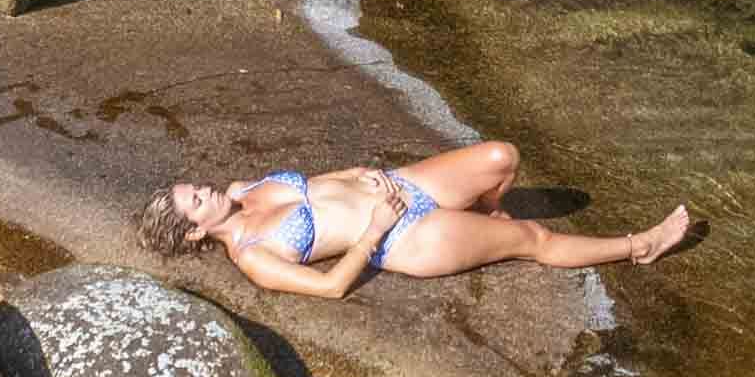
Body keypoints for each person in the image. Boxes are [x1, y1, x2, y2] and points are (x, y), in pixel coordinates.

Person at [141, 139, 695, 297]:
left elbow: (315, 184)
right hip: (405, 236)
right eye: (197, 200)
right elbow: (332, 286)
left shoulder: (242, 190)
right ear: (195, 230)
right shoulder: (255, 258)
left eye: (195, 186)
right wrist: (376, 226)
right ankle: (638, 247)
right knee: (532, 236)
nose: (206, 190)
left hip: (399, 183)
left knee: (502, 157)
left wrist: (359, 172)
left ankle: (487, 216)